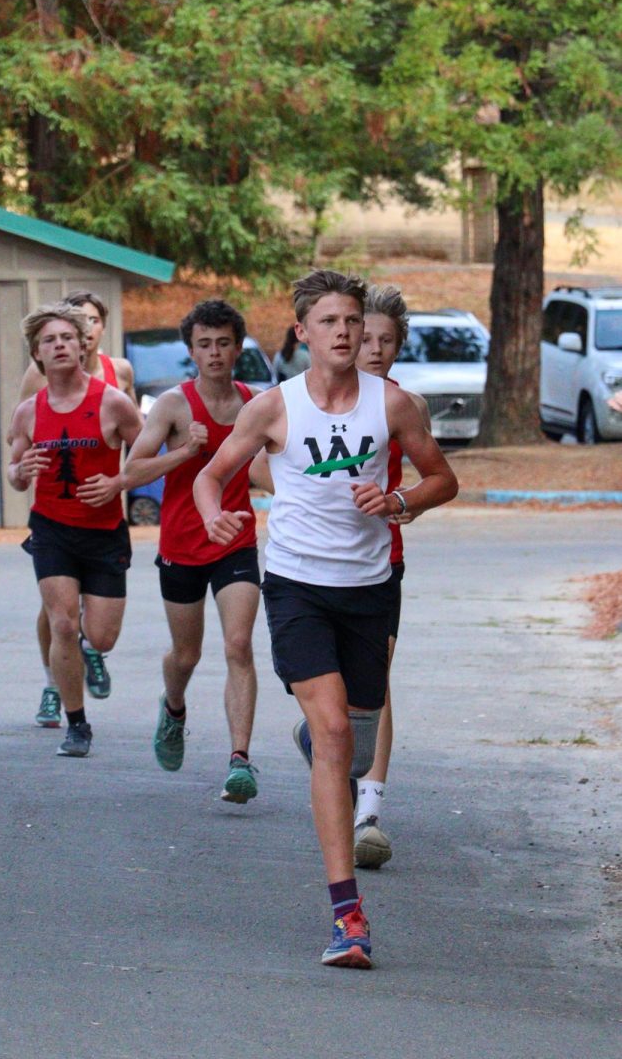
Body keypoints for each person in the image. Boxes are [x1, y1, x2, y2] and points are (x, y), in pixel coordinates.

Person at [194, 269, 458, 968]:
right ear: (303, 333)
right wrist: (217, 515)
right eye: (330, 323)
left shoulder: (393, 404)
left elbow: (441, 478)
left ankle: (328, 753)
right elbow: (210, 474)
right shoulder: (273, 409)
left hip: (369, 589)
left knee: (356, 738)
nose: (344, 333)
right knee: (336, 732)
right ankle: (348, 917)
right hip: (296, 585)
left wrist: (400, 503)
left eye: (352, 321)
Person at [123, 300, 262, 803]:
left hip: (235, 541)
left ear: (238, 347)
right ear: (191, 351)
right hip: (181, 544)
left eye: (224, 342)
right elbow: (131, 473)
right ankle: (174, 708)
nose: (215, 352)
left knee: (238, 646)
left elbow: (266, 471)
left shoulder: (254, 403)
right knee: (187, 654)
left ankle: (240, 760)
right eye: (204, 344)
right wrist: (184, 451)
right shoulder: (172, 406)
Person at [8, 303, 142, 758]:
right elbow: (14, 472)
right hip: (51, 529)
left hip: (104, 531)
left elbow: (143, 455)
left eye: (68, 337)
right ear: (37, 355)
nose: (61, 345)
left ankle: (90, 651)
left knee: (100, 638)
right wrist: (20, 470)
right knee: (63, 622)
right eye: (50, 340)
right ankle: (77, 724)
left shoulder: (112, 401)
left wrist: (120, 481)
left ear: (83, 345)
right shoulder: (29, 411)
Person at [352, 285, 431, 870]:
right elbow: (260, 466)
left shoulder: (405, 405)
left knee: (375, 678)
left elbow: (436, 481)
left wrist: (400, 501)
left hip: (382, 558)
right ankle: (331, 749)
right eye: (367, 337)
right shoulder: (304, 401)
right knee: (330, 689)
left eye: (387, 340)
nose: (375, 349)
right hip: (311, 563)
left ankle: (369, 813)